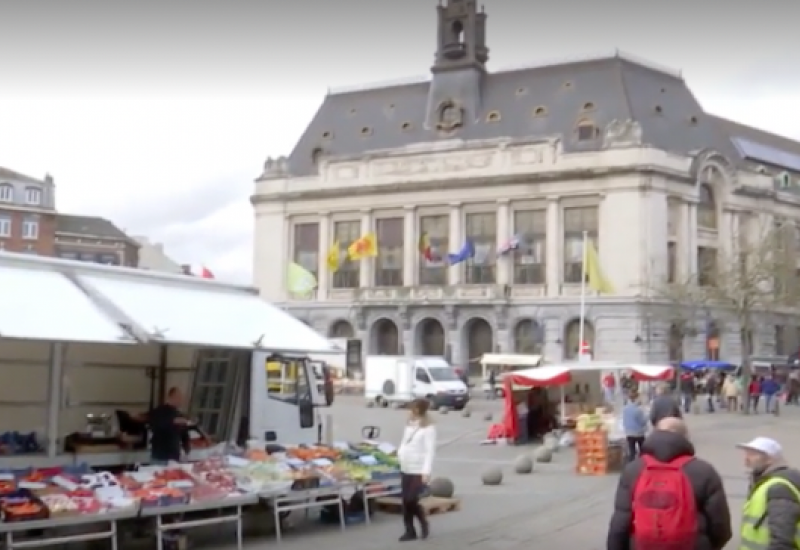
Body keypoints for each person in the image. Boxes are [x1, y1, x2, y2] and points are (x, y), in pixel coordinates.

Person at [607, 417, 732, 550]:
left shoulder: (633, 469)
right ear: (685, 437)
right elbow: (720, 526)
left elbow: (620, 521)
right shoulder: (703, 471)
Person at [737, 437, 800, 550]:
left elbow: (782, 539)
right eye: (746, 454)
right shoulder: (764, 483)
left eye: (752, 454)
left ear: (770, 459)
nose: (746, 459)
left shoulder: (779, 488)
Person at [397, 398, 436, 542]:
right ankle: (409, 530)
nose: (410, 411)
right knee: (405, 501)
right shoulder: (409, 426)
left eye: (412, 408)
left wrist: (426, 471)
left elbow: (429, 451)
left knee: (411, 498)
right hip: (406, 465)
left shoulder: (428, 429)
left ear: (419, 410)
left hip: (418, 468)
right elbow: (404, 442)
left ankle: (423, 522)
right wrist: (400, 454)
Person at [147, 387, 191, 464]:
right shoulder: (159, 411)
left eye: (181, 398)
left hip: (174, 457)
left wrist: (186, 446)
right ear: (170, 397)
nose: (180, 400)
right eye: (178, 397)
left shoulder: (179, 414)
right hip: (160, 456)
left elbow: (184, 433)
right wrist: (173, 421)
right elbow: (156, 426)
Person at [621, 392, 647, 462]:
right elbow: (642, 422)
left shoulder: (625, 409)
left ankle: (631, 464)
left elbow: (624, 420)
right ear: (636, 399)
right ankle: (642, 464)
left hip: (629, 432)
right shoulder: (638, 410)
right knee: (643, 450)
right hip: (638, 433)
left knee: (632, 450)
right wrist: (646, 417)